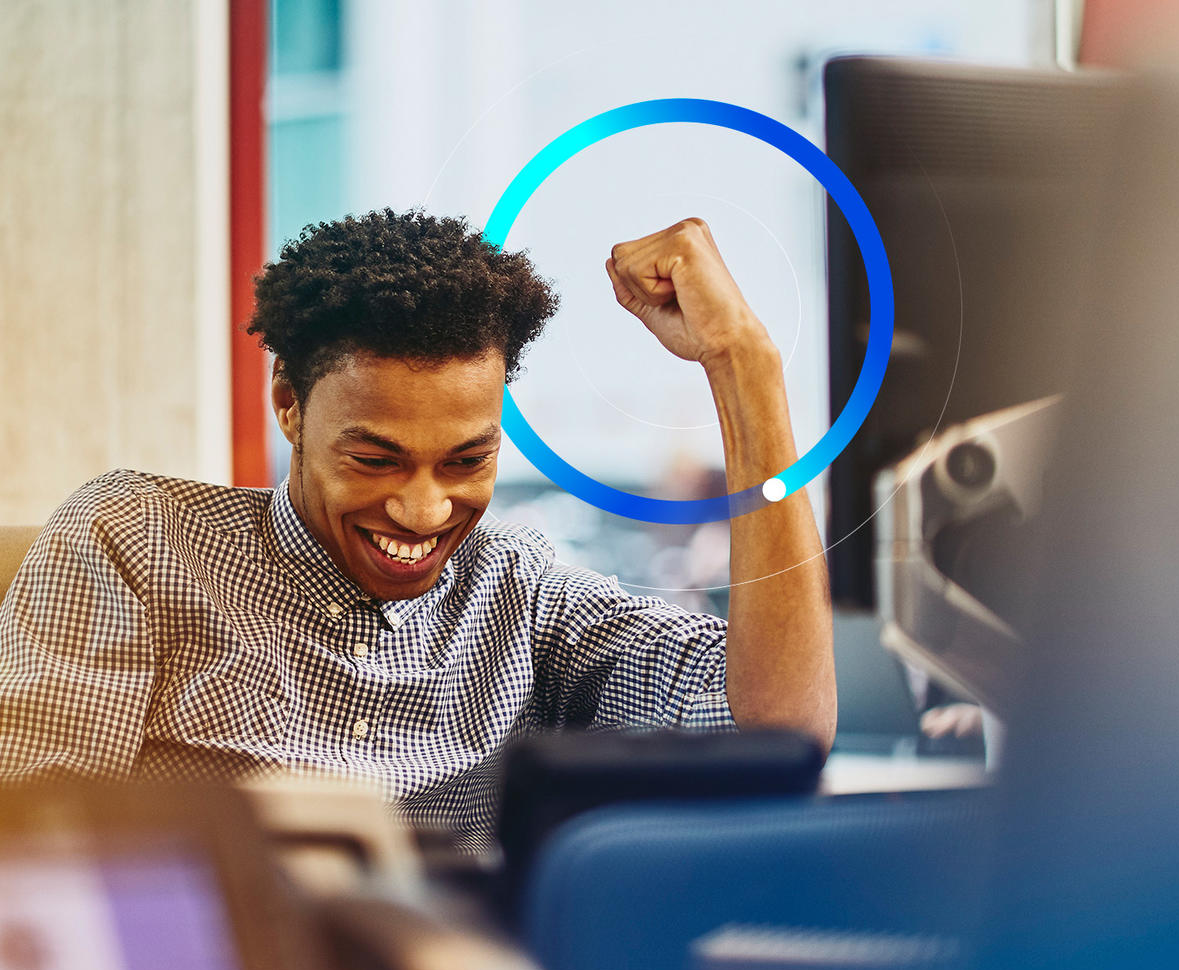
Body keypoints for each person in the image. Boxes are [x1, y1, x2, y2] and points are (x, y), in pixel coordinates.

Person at [0, 209, 834, 850]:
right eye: (374, 460)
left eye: (466, 461)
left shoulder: (520, 587)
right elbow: (34, 855)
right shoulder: (135, 541)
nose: (425, 512)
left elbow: (778, 732)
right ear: (289, 405)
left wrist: (743, 364)